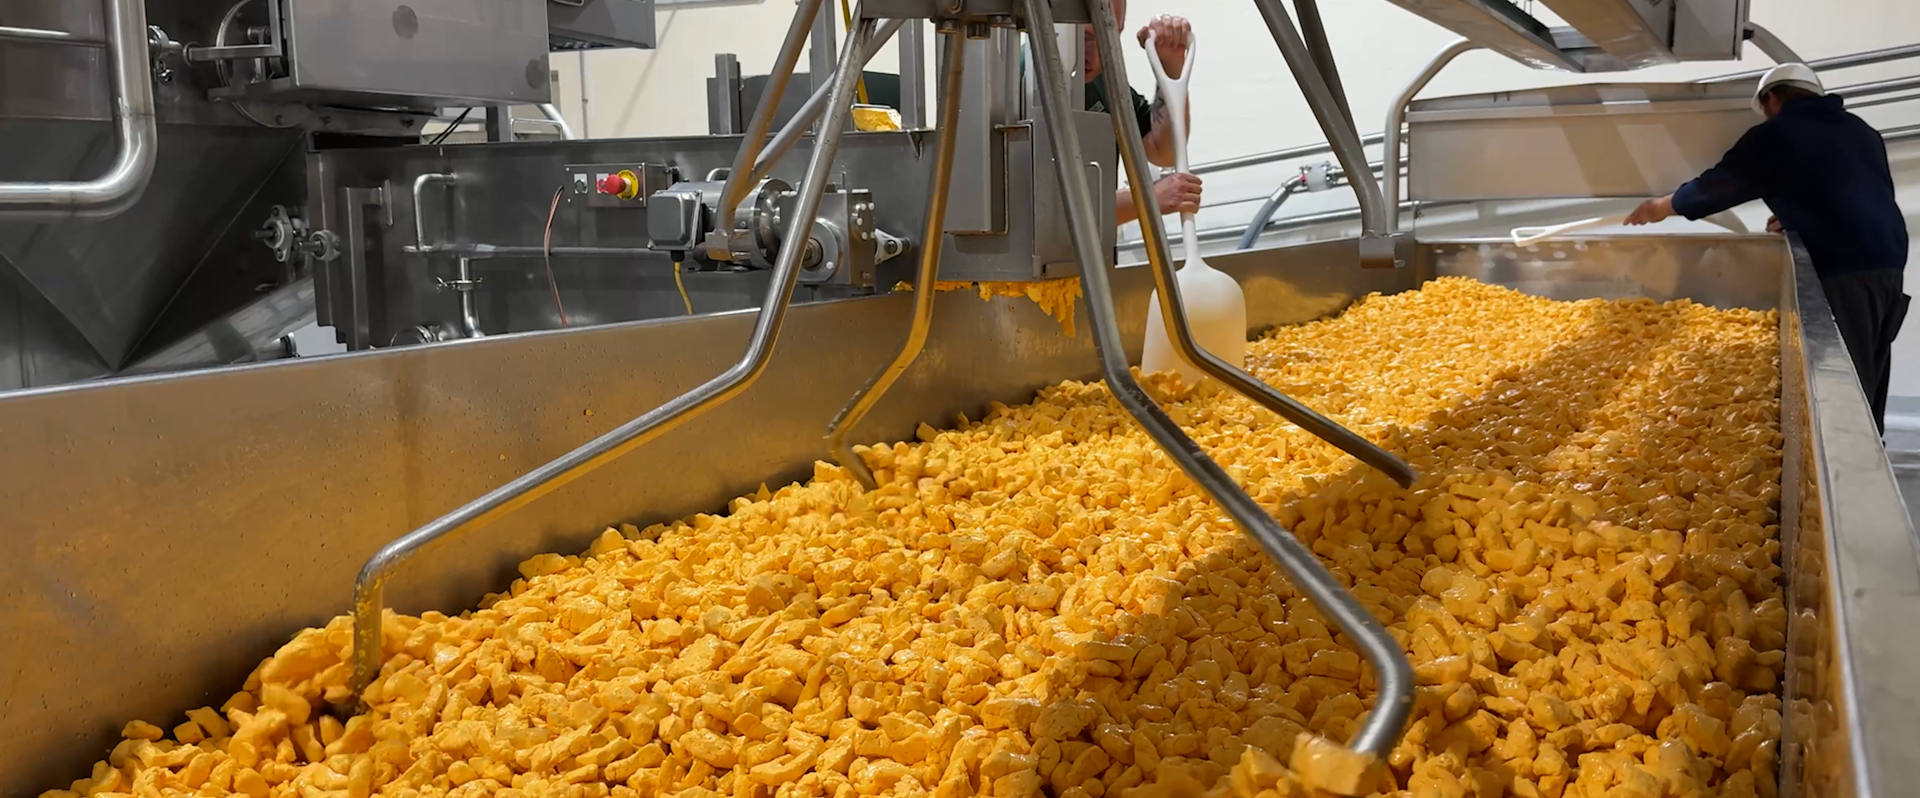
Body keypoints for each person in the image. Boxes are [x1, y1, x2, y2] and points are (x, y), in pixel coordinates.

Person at [1626, 63, 1910, 434]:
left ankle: (1849, 474)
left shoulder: (1781, 133)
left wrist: (1661, 207)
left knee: (1844, 384)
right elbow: (1848, 192)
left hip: (1842, 267)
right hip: (1887, 263)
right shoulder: (1862, 131)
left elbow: (1722, 184)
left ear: (1771, 98)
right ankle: (1869, 456)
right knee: (1869, 371)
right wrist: (1797, 218)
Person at [1086, 1, 1202, 225]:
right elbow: (1038, 213)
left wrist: (1169, 67)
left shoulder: (1102, 84)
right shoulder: (1018, 83)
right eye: (1086, 37)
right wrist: (1148, 200)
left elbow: (1163, 151)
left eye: (1109, 35)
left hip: (1092, 254)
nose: (1096, 55)